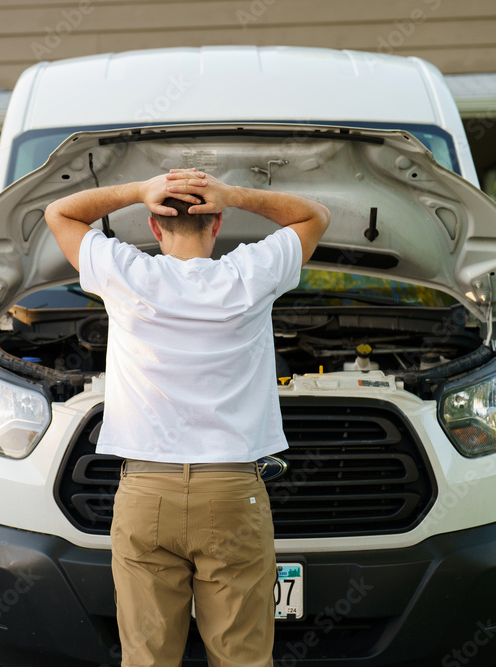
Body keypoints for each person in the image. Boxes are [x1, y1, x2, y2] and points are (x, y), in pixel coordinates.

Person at [44, 168, 330, 667]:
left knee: (147, 659)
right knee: (242, 657)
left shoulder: (127, 273)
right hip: (232, 493)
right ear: (217, 223)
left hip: (145, 494)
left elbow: (59, 213)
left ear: (154, 228)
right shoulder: (251, 273)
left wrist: (138, 190)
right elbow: (314, 216)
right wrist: (235, 193)